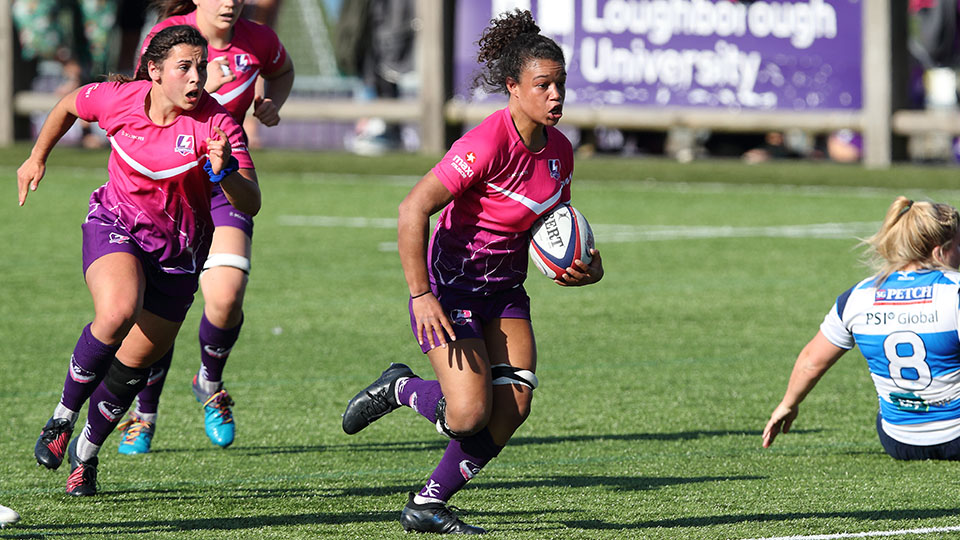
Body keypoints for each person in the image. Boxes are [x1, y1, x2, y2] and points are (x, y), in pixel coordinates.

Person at [340, 9, 603, 534]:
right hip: (451, 286)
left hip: (505, 289)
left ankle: (427, 504)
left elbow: (552, 223)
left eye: (561, 85)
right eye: (542, 85)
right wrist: (420, 295)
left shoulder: (560, 152)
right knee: (466, 415)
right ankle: (400, 389)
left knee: (514, 406)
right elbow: (412, 209)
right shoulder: (485, 143)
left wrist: (585, 265)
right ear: (513, 87)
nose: (555, 96)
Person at [21, 24, 260, 496]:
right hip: (116, 224)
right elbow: (69, 104)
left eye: (201, 67)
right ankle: (61, 419)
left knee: (134, 365)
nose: (196, 78)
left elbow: (250, 203)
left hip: (178, 256)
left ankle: (86, 455)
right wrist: (37, 156)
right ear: (154, 71)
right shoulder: (118, 100)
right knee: (117, 311)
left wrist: (225, 171)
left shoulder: (218, 126)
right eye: (184, 67)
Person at [114, 0, 294, 455]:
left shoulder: (260, 40)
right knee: (159, 306)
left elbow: (282, 71)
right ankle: (144, 414)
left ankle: (209, 383)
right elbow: (140, 96)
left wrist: (271, 104)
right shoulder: (172, 34)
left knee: (227, 296)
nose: (230, 2)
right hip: (168, 183)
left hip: (222, 179)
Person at [763, 197, 960, 460]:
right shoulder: (954, 291)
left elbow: (812, 361)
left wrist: (788, 404)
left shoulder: (859, 295)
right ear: (940, 250)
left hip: (898, 440)